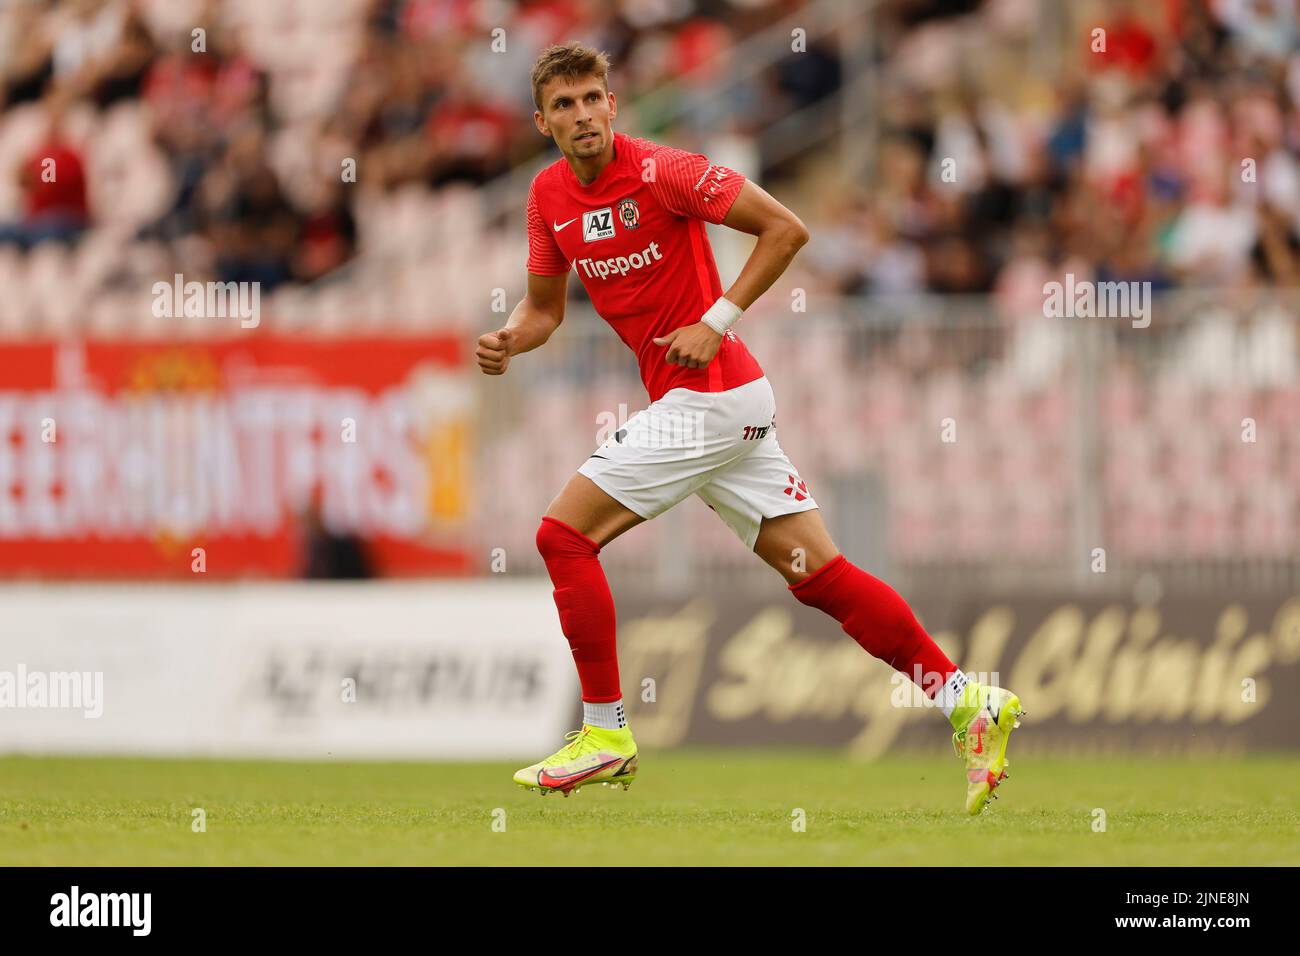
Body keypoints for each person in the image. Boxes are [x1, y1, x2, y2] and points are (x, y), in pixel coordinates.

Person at [476, 42, 1025, 814]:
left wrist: (716, 318)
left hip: (710, 397)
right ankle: (967, 700)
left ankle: (605, 731)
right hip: (721, 409)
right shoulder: (545, 197)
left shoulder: (665, 170)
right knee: (820, 577)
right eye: (563, 106)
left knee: (563, 538)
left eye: (592, 98)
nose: (582, 115)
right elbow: (543, 311)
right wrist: (510, 336)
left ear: (613, 104)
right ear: (543, 122)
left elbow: (786, 229)